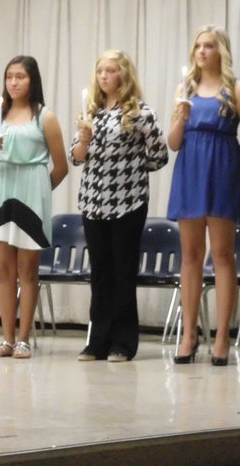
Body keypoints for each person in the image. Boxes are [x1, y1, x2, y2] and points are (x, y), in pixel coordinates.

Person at [167, 25, 240, 366]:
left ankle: (222, 338)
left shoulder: (237, 89)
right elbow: (173, 143)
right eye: (198, 46)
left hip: (221, 171)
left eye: (208, 45)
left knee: (222, 256)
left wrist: (227, 158)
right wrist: (179, 119)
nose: (202, 51)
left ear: (221, 50)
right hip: (189, 169)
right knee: (190, 256)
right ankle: (189, 335)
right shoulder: (185, 89)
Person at [70, 50, 168, 362]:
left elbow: (160, 156)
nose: (103, 76)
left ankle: (122, 343)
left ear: (123, 75)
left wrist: (129, 169)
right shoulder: (91, 112)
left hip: (128, 201)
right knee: (99, 274)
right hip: (93, 201)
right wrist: (84, 140)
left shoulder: (141, 113)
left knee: (123, 272)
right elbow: (75, 157)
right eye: (100, 71)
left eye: (110, 70)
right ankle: (96, 341)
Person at [0, 55, 68, 359]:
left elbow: (61, 167)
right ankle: (5, 339)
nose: (13, 82)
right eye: (9, 77)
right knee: (4, 271)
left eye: (20, 76)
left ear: (33, 80)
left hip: (32, 194)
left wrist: (41, 192)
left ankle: (23, 339)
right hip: (1, 192)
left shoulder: (46, 117)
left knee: (28, 271)